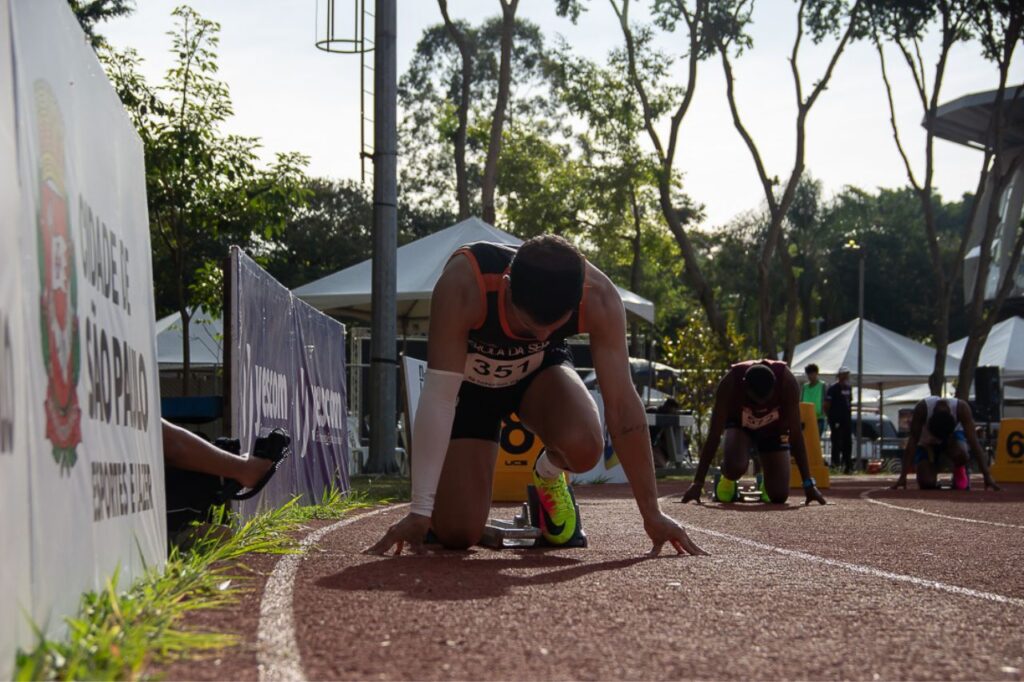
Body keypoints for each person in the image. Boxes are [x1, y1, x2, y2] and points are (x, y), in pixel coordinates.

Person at [365, 235, 706, 556]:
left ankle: (546, 476)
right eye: (528, 326)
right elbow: (439, 398)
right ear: (508, 286)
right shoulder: (464, 284)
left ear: (577, 300)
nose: (540, 333)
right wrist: (420, 510)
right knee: (457, 535)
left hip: (539, 378)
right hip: (470, 389)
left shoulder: (599, 296)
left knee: (586, 445)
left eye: (554, 326)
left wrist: (653, 513)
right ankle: (451, 514)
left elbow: (622, 404)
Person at [680, 359, 827, 506]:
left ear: (775, 386)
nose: (760, 407)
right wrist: (698, 483)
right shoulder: (730, 383)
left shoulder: (788, 383)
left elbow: (796, 435)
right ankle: (728, 478)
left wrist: (809, 484)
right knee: (735, 467)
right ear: (744, 386)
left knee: (779, 496)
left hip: (773, 429)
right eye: (755, 401)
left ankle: (767, 479)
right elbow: (714, 434)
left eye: (766, 400)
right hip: (740, 427)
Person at [891, 397, 1000, 491]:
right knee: (927, 483)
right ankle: (931, 467)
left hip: (951, 440)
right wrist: (902, 476)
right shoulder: (922, 408)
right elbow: (913, 441)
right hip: (927, 443)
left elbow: (974, 442)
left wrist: (987, 476)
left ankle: (959, 468)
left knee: (962, 454)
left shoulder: (961, 408)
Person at [824, 367, 853, 473]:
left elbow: (849, 402)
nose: (846, 376)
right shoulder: (833, 388)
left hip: (846, 419)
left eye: (847, 374)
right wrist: (830, 417)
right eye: (844, 374)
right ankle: (835, 464)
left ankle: (848, 465)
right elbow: (826, 405)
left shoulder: (849, 388)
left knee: (847, 442)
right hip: (836, 419)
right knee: (836, 442)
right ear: (839, 375)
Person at [800, 363, 826, 438]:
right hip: (806, 419)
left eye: (812, 373)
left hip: (818, 419)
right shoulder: (805, 387)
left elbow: (826, 400)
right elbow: (801, 400)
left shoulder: (822, 385)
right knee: (806, 441)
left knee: (816, 440)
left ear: (816, 373)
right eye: (808, 374)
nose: (810, 376)